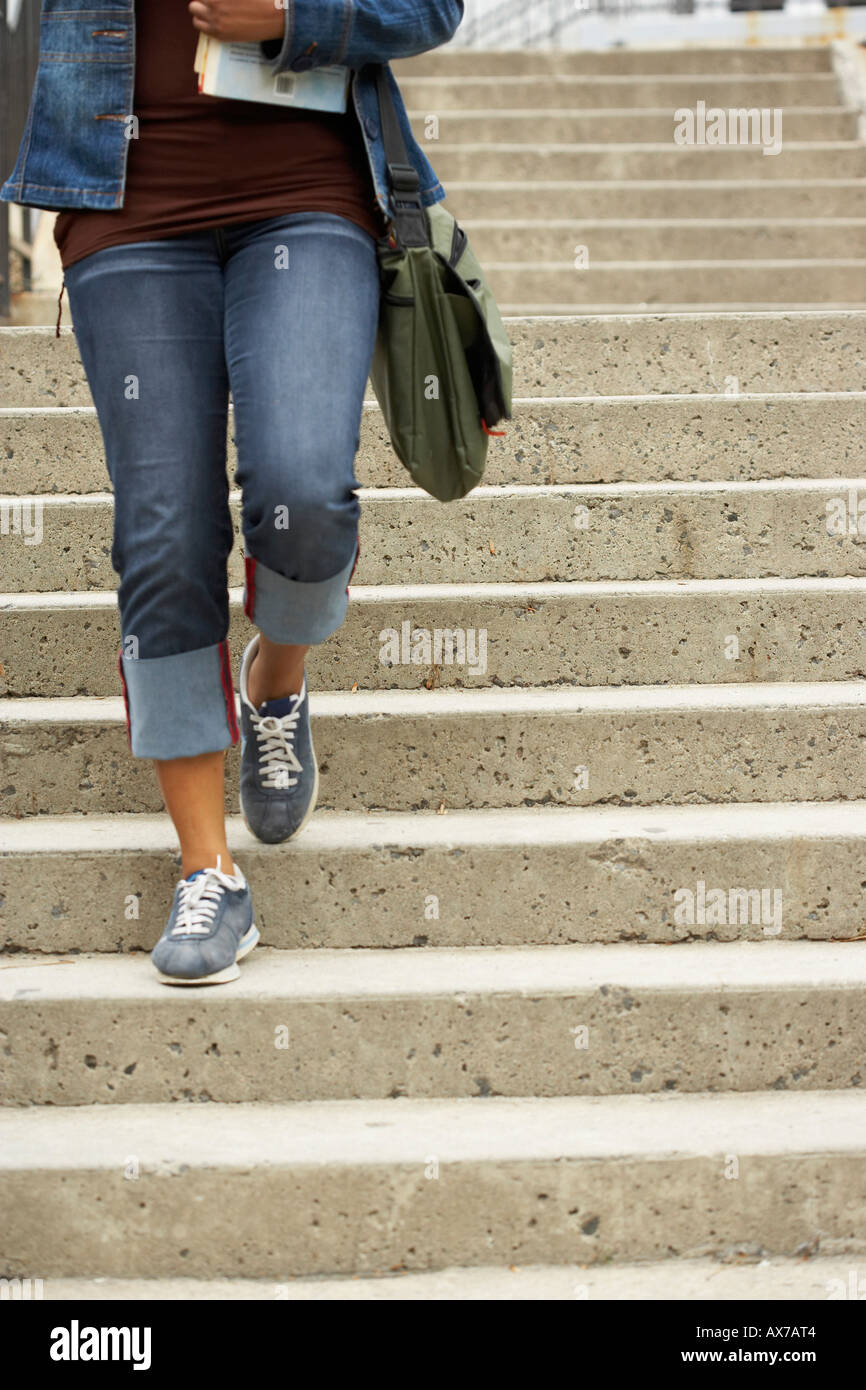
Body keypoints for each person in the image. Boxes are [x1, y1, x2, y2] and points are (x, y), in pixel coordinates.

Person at [2, 0, 463, 985]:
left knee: (302, 490)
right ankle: (208, 872)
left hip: (309, 196)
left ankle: (275, 681)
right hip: (129, 211)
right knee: (164, 533)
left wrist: (293, 16)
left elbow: (433, 7)